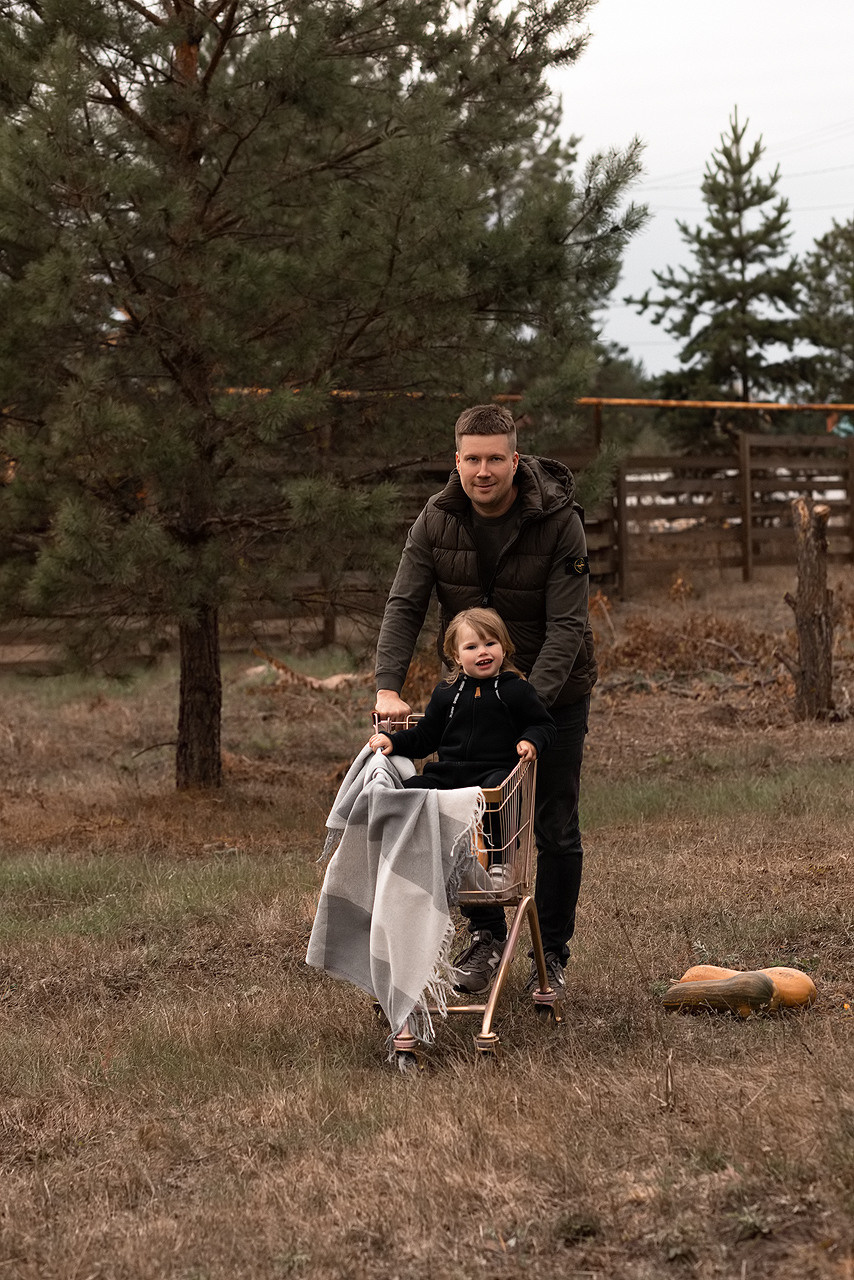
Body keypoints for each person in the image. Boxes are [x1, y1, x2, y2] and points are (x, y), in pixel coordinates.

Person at [374, 402, 596, 997]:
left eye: (495, 458)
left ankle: (551, 955)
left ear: (515, 461)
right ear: (457, 461)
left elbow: (567, 627)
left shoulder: (559, 520)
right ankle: (487, 935)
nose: (483, 471)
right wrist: (388, 685)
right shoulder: (436, 519)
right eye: (472, 459)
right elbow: (405, 603)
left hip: (552, 696)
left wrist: (523, 706)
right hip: (470, 694)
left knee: (553, 825)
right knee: (467, 814)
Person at [370, 607, 556, 993]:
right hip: (451, 773)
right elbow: (426, 737)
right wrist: (394, 741)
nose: (482, 651)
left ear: (504, 648)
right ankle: (416, 858)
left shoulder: (515, 691)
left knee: (493, 793)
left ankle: (497, 863)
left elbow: (543, 724)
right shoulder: (447, 693)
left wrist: (531, 741)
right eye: (472, 646)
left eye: (491, 643)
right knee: (415, 790)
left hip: (493, 773)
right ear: (456, 656)